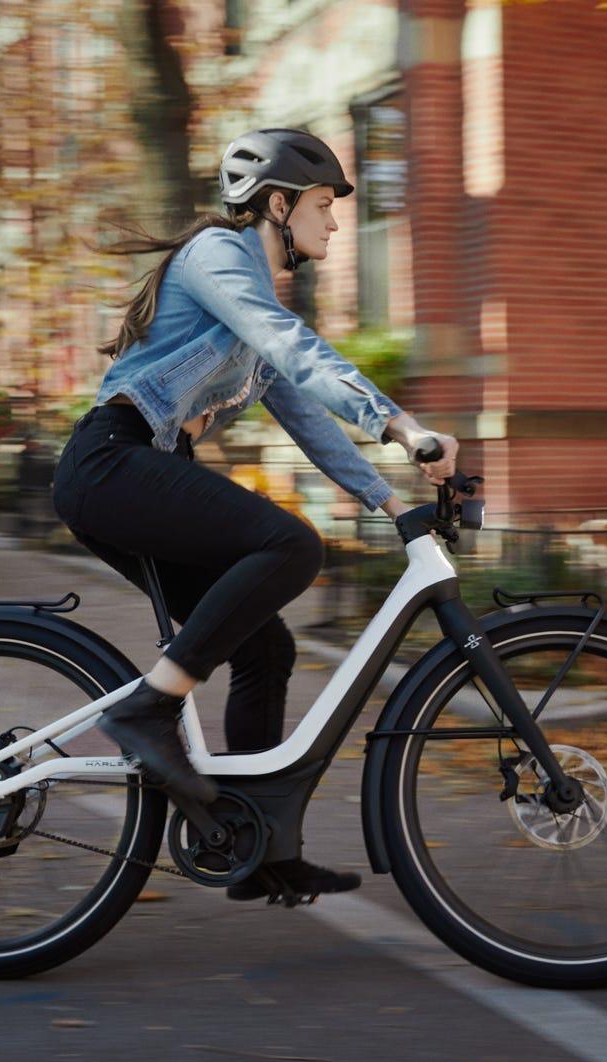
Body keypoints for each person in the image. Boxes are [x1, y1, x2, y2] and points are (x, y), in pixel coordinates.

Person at [50, 128, 460, 900]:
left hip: (141, 471)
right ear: (277, 204)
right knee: (290, 546)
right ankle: (147, 712)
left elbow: (308, 418)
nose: (335, 222)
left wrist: (393, 502)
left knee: (265, 647)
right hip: (112, 465)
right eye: (322, 205)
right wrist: (401, 425)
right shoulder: (218, 256)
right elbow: (297, 348)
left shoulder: (251, 313)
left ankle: (258, 848)